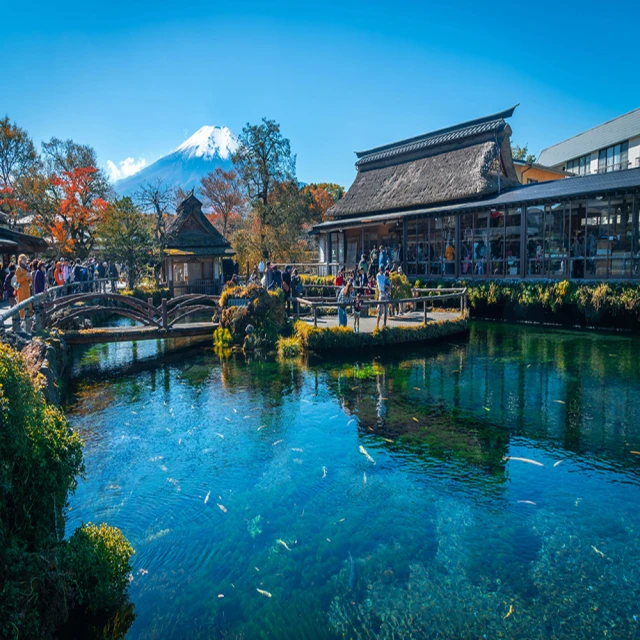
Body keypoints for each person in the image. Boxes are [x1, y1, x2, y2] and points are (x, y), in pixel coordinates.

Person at [15, 254, 32, 319]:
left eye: (25, 259)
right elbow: (18, 279)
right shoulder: (19, 269)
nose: (25, 260)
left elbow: (29, 281)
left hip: (27, 289)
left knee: (28, 304)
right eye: (23, 259)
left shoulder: (26, 268)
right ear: (20, 260)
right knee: (22, 305)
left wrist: (30, 277)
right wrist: (26, 276)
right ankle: (22, 318)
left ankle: (29, 317)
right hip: (22, 290)